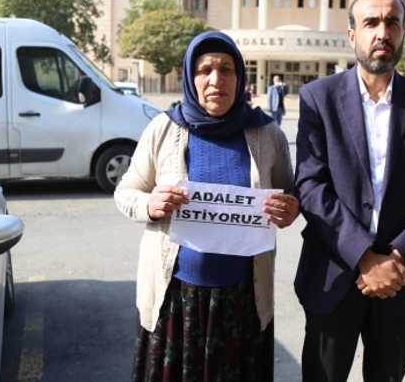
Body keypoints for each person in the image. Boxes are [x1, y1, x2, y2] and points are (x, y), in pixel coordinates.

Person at [114, 30, 299, 381]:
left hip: (244, 302)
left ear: (240, 77)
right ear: (190, 77)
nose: (216, 79)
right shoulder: (164, 129)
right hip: (176, 299)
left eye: (226, 69)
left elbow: (289, 194)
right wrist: (151, 204)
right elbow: (126, 192)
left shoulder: (268, 133)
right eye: (205, 70)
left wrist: (290, 209)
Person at [293, 0, 405, 381]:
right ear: (352, 35)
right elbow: (311, 186)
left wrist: (398, 258)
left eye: (392, 23)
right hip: (333, 277)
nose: (383, 32)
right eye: (371, 23)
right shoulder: (318, 98)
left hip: (400, 282)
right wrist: (364, 257)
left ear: (402, 33)